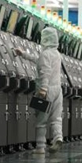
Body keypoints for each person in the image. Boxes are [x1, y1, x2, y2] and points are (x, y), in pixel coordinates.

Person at [15, 27, 63, 155]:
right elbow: (39, 61)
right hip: (58, 90)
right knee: (56, 118)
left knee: (41, 119)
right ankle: (58, 137)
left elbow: (44, 71)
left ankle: (40, 147)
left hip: (46, 90)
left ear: (45, 39)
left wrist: (43, 88)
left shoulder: (45, 54)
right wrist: (24, 54)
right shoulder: (56, 54)